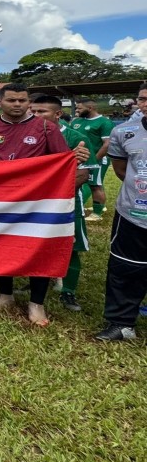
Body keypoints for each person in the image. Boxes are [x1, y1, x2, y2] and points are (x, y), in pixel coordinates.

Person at [0, 83, 86, 326]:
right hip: (1, 200)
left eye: (22, 100)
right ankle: (5, 295)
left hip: (37, 201)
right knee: (1, 245)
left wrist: (76, 159)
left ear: (28, 102)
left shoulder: (46, 127)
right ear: (0, 103)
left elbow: (62, 163)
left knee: (38, 247)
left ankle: (37, 303)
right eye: (11, 100)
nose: (17, 104)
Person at [95, 84, 147, 341]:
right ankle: (122, 323)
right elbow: (121, 170)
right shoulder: (123, 131)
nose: (146, 104)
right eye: (143, 99)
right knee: (125, 267)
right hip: (133, 214)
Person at [29, 95, 90, 312]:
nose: (35, 116)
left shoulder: (76, 137)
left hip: (66, 202)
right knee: (35, 242)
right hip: (33, 202)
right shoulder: (26, 134)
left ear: (57, 114)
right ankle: (35, 282)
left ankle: (68, 291)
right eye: (32, 111)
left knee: (69, 245)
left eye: (41, 112)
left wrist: (55, 192)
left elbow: (83, 174)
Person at [71, 97, 115, 223]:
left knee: (95, 185)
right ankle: (100, 205)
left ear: (90, 108)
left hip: (97, 159)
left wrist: (93, 161)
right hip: (80, 159)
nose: (77, 110)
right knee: (86, 182)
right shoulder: (77, 121)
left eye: (80, 108)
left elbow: (107, 144)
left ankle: (97, 213)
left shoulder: (104, 122)